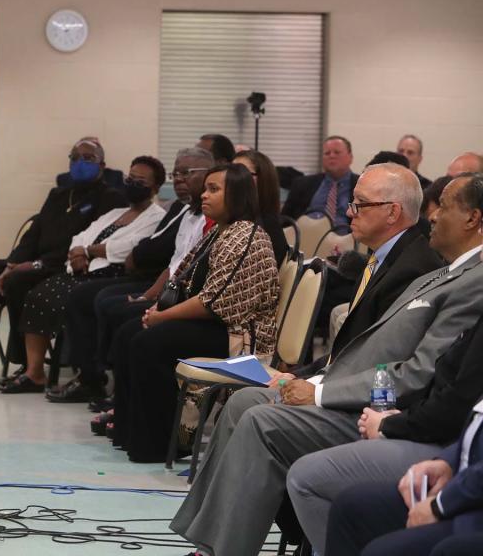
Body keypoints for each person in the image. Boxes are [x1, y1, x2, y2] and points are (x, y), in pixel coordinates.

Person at [169, 174, 483, 556]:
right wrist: (311, 379)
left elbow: (419, 372)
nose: (431, 216)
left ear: (473, 218)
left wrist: (319, 391)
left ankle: (224, 551)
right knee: (243, 403)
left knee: (261, 421)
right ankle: (211, 545)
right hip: (359, 392)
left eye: (445, 206)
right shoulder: (441, 273)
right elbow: (368, 348)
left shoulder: (468, 279)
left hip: (385, 411)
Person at [109, 163, 280, 462]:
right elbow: (182, 279)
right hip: (215, 326)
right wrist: (156, 308)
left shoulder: (247, 237)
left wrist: (163, 317)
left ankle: (158, 444)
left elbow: (215, 302)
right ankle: (129, 433)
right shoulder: (219, 232)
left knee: (149, 343)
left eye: (214, 189)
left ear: (238, 195)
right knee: (129, 333)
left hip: (238, 336)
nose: (204, 195)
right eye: (205, 189)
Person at [288, 314, 483, 553]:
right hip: (442, 443)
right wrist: (446, 462)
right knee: (350, 506)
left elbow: (453, 405)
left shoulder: (468, 286)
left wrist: (389, 425)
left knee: (305, 476)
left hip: (440, 445)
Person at [0, 138, 126, 382]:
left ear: (102, 165)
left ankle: (27, 365)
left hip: (64, 269)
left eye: (87, 158)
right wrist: (11, 264)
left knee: (19, 281)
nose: (79, 162)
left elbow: (84, 245)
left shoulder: (111, 198)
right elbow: (33, 234)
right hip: (32, 265)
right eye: (74, 157)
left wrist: (35, 265)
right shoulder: (58, 194)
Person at [48, 148, 213, 403]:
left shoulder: (197, 218)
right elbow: (173, 263)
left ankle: (111, 387)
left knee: (108, 306)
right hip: (147, 279)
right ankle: (94, 380)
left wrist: (98, 253)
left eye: (186, 173)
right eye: (176, 173)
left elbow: (145, 250)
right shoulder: (184, 212)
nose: (179, 179)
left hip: (156, 283)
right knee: (74, 294)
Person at [0, 156, 167, 393]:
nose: (131, 184)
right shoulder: (116, 213)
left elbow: (129, 248)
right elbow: (81, 236)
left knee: (73, 299)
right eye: (129, 178)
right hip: (83, 269)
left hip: (112, 274)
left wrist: (87, 251)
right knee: (37, 296)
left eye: (140, 181)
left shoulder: (157, 217)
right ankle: (34, 372)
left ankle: (86, 375)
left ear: (155, 187)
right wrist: (79, 252)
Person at [310, 164, 443, 365]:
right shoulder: (384, 254)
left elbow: (375, 362)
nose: (349, 211)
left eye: (361, 202)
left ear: (392, 213)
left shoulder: (410, 271)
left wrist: (312, 386)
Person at [326, 394, 483, 555]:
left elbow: (446, 407)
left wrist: (439, 505)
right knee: (350, 506)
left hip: (472, 511)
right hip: (460, 480)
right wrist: (446, 463)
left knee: (379, 551)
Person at [282, 136, 358, 229]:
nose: (332, 156)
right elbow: (285, 220)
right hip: (307, 238)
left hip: (346, 239)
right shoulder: (302, 184)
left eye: (337, 152)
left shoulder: (361, 186)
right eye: (327, 153)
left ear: (350, 157)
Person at [232, 150, 287, 265]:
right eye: (230, 172)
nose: (231, 179)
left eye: (241, 173)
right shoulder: (229, 217)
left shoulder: (267, 225)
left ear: (262, 179)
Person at [55, 136, 125, 191]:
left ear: (101, 164)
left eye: (88, 157)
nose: (80, 162)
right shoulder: (64, 179)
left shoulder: (114, 177)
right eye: (75, 157)